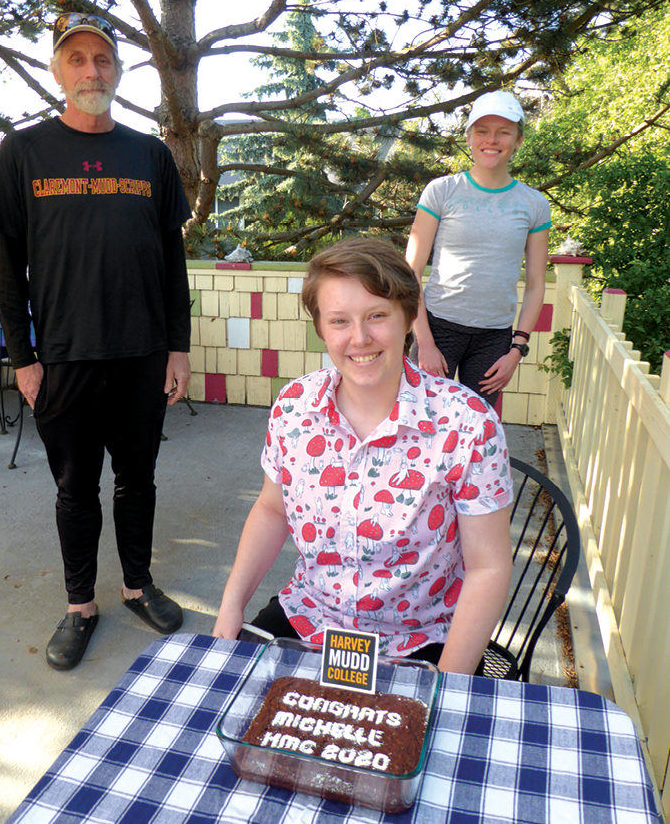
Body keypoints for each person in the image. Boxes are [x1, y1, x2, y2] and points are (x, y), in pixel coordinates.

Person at [0, 12, 192, 671]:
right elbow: (6, 265)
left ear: (117, 71)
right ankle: (80, 606)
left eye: (101, 59)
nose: (90, 70)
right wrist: (23, 358)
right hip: (64, 359)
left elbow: (171, 263)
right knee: (75, 488)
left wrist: (178, 349)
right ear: (57, 71)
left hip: (141, 354)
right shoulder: (24, 152)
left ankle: (136, 586)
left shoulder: (150, 155)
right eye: (76, 59)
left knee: (138, 480)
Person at [213, 238, 512, 674]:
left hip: (418, 639)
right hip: (311, 620)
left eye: (377, 316)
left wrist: (448, 684)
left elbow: (489, 566)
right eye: (339, 321)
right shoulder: (294, 407)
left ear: (408, 317)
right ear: (320, 327)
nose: (359, 338)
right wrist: (231, 605)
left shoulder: (467, 423)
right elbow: (272, 510)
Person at [405, 91, 551, 407]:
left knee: (477, 433)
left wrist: (517, 351)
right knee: (423, 424)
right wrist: (424, 341)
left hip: (493, 338)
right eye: (483, 131)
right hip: (437, 328)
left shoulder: (534, 204)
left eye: (504, 132)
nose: (492, 140)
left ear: (518, 140)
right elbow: (410, 272)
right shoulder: (442, 191)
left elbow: (537, 285)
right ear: (469, 137)